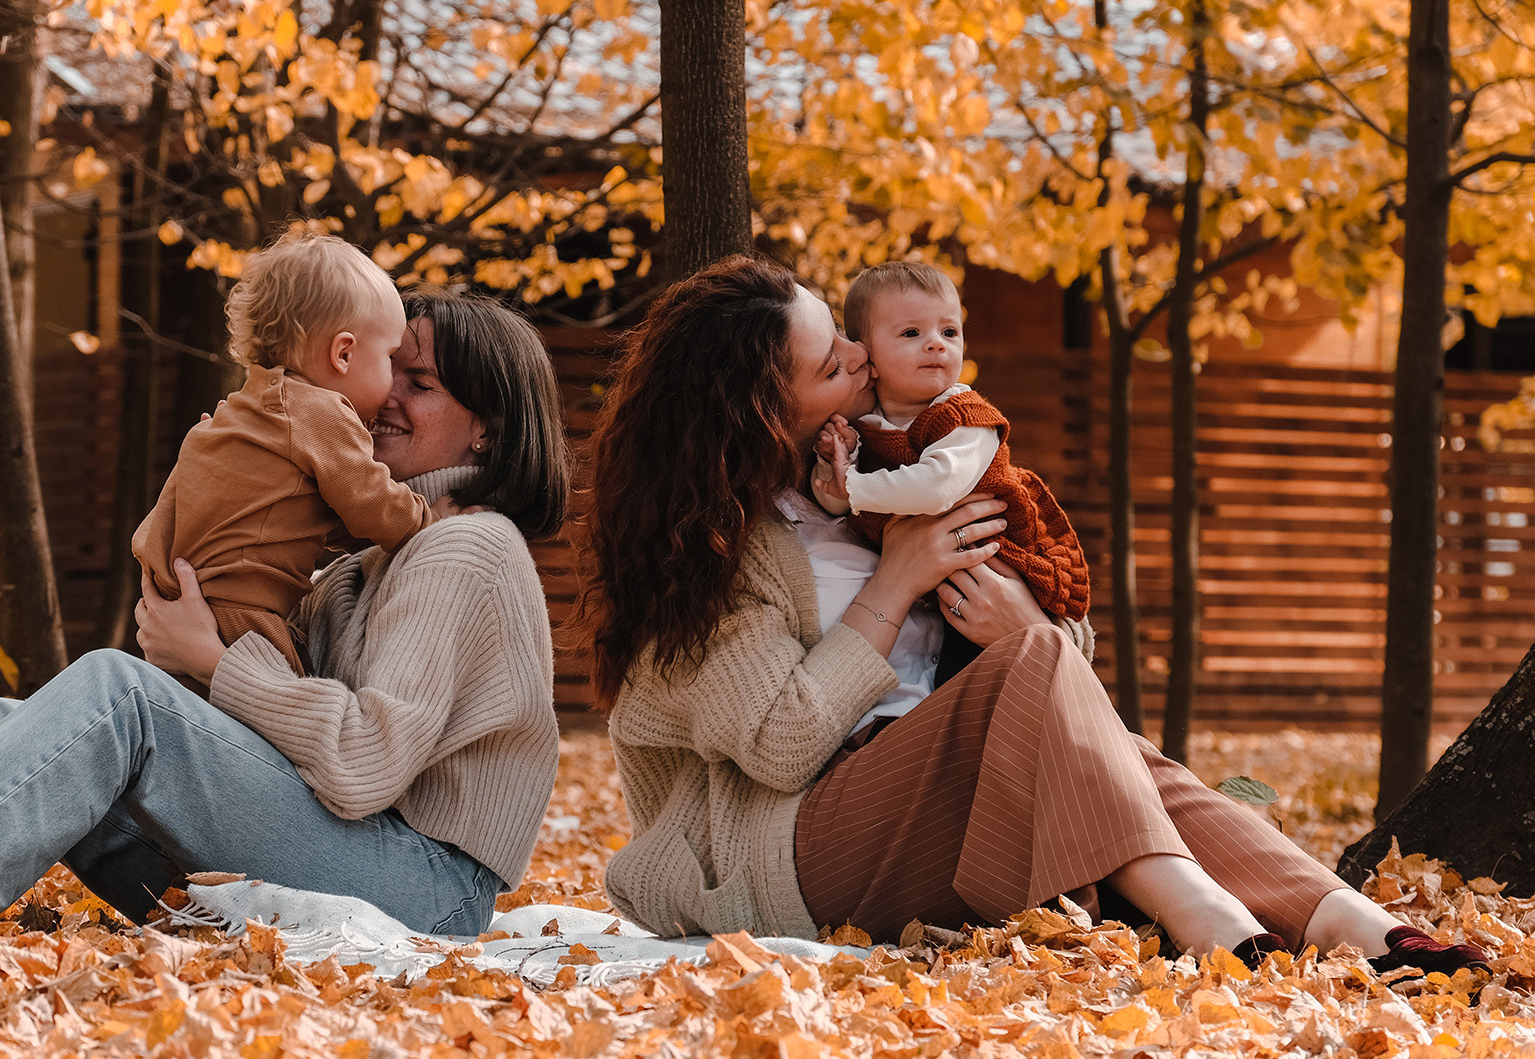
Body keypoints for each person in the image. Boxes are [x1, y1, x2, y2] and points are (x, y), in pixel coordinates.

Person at [580, 254, 1486, 975]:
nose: (863, 356)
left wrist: (1021, 621)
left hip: (925, 788)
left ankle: (1361, 928)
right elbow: (778, 747)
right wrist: (897, 585)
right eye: (833, 361)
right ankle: (1200, 908)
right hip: (785, 855)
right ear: (764, 410)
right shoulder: (704, 553)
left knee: (1089, 709)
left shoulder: (871, 488)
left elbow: (1049, 672)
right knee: (1045, 668)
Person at [0, 288, 572, 943]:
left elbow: (363, 763)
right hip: (373, 851)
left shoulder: (469, 548)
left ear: (487, 430)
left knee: (120, 695)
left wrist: (213, 659)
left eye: (418, 383)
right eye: (393, 372)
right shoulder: (373, 559)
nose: (385, 397)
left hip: (429, 885)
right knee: (4, 724)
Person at [132, 232, 458, 675]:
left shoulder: (249, 409)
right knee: (278, 718)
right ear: (343, 353)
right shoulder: (320, 413)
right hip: (243, 620)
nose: (392, 384)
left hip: (191, 600)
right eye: (389, 356)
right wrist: (432, 521)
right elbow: (370, 501)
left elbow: (303, 518)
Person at [811, 260, 1089, 643]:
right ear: (866, 355)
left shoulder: (964, 415)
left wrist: (854, 487)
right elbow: (837, 506)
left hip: (999, 567)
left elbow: (936, 488)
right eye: (911, 332)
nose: (936, 343)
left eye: (949, 331)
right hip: (944, 591)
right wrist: (834, 466)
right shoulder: (866, 428)